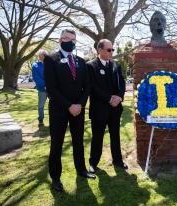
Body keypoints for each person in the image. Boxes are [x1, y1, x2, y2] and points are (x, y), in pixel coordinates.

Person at [44, 29, 95, 192]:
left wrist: (80, 105)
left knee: (78, 141)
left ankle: (81, 170)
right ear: (60, 40)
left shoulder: (81, 61)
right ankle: (56, 178)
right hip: (59, 109)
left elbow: (87, 86)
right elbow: (51, 88)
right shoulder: (51, 59)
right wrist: (69, 106)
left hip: (78, 110)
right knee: (57, 144)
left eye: (73, 40)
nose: (70, 42)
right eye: (67, 38)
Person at [87, 39, 127, 174]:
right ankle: (93, 163)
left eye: (112, 50)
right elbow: (92, 88)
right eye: (109, 50)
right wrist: (109, 98)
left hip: (115, 109)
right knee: (97, 137)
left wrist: (120, 97)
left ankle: (118, 161)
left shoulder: (116, 65)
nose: (112, 52)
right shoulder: (91, 66)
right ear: (100, 50)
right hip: (99, 109)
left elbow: (122, 83)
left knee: (115, 135)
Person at [31, 49, 47, 126]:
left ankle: (58, 119)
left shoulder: (50, 63)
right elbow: (36, 78)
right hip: (42, 89)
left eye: (44, 55)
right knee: (41, 105)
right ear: (39, 56)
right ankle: (41, 119)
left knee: (56, 104)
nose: (43, 57)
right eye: (41, 55)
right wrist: (45, 85)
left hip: (52, 89)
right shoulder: (35, 65)